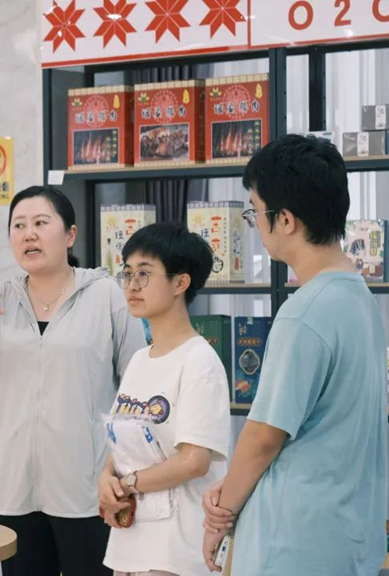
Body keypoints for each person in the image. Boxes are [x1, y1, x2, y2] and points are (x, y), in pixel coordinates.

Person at [0, 186, 147, 576]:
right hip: (15, 487)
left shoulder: (106, 296)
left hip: (88, 486)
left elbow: (137, 386)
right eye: (18, 226)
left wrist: (124, 468)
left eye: (40, 223)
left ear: (70, 235)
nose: (28, 234)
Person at [202, 135, 387, 575]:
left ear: (284, 219)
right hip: (345, 537)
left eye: (254, 212)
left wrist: (221, 513)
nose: (255, 225)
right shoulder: (358, 297)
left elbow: (264, 437)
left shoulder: (303, 312)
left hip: (292, 542)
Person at [101, 222, 230, 576]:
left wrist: (127, 482)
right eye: (127, 273)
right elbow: (124, 442)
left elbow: (194, 462)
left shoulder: (199, 361)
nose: (132, 285)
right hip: (130, 541)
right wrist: (106, 476)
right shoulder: (139, 359)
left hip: (176, 549)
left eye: (144, 273)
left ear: (180, 282)